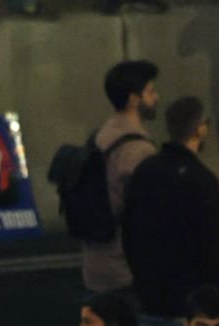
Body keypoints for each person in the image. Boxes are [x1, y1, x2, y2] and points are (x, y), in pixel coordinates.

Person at [123, 97, 219, 320]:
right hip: (194, 298)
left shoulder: (146, 170)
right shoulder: (202, 178)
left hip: (152, 294)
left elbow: (129, 230)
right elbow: (217, 247)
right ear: (200, 128)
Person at [84, 59, 159, 295]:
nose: (156, 97)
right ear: (134, 99)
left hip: (94, 261)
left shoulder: (100, 137)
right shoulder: (138, 149)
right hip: (125, 267)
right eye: (150, 91)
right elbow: (149, 214)